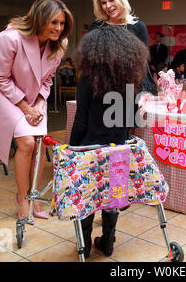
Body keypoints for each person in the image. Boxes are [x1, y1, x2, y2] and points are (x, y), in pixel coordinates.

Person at [0, 0, 73, 223]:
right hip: (5, 94)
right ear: (40, 19)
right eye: (54, 22)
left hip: (35, 99)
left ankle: (33, 197)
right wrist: (25, 106)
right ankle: (22, 198)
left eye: (62, 23)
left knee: (38, 145)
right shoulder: (10, 38)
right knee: (25, 142)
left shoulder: (60, 44)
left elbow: (48, 79)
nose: (58, 28)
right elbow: (0, 78)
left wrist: (40, 104)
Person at [70, 25, 148, 258]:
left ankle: (83, 244)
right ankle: (108, 240)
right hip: (118, 149)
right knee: (113, 195)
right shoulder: (129, 80)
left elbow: (81, 120)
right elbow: (131, 121)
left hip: (90, 149)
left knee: (87, 197)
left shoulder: (86, 79)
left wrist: (72, 148)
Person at [88, 0, 157, 94]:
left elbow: (142, 66)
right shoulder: (95, 28)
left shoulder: (138, 27)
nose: (108, 6)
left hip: (134, 92)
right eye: (103, 3)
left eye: (112, 0)